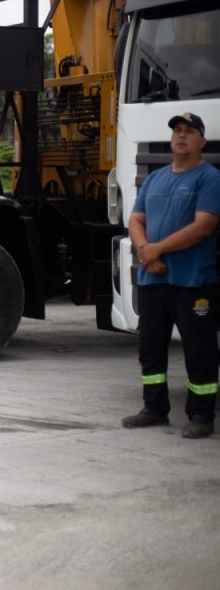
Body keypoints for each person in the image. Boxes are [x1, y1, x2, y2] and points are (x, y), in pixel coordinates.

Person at [123, 113, 220, 439]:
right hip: (154, 279)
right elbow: (136, 220)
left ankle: (201, 415)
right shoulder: (155, 178)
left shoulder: (209, 179)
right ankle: (154, 408)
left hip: (193, 280)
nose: (181, 136)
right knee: (150, 346)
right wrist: (144, 250)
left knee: (199, 348)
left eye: (190, 132)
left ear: (201, 141)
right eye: (177, 131)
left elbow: (203, 227)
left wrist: (155, 250)